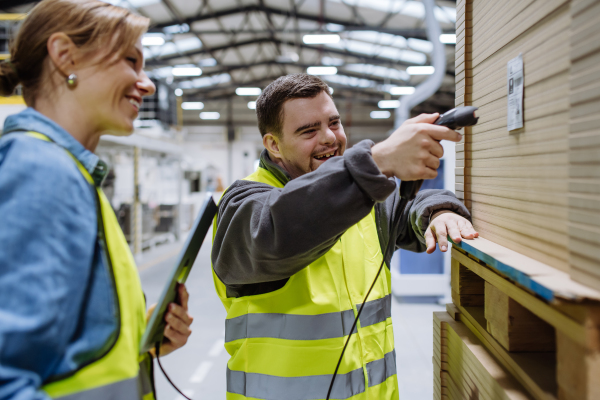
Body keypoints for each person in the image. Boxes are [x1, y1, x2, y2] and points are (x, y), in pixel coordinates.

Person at [211, 74, 479, 399]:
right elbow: (280, 229)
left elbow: (406, 206)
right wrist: (375, 162)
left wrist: (440, 209)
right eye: (309, 130)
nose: (329, 137)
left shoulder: (361, 198)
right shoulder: (245, 204)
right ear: (273, 145)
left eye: (334, 122)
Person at [0, 1, 193, 399]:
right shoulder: (41, 169)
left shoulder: (71, 171)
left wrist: (136, 336)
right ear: (65, 55)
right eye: (130, 61)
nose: (148, 84)